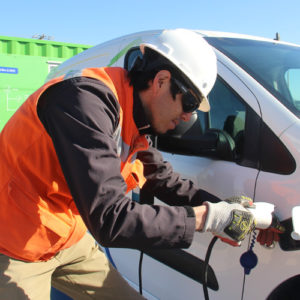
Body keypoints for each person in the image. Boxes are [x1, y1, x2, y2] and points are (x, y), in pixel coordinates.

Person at [0, 29, 279, 299]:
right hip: (14, 242)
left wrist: (231, 210)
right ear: (161, 81)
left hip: (65, 237)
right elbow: (110, 219)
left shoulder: (134, 116)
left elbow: (162, 177)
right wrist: (209, 218)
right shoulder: (84, 103)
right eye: (190, 102)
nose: (187, 117)